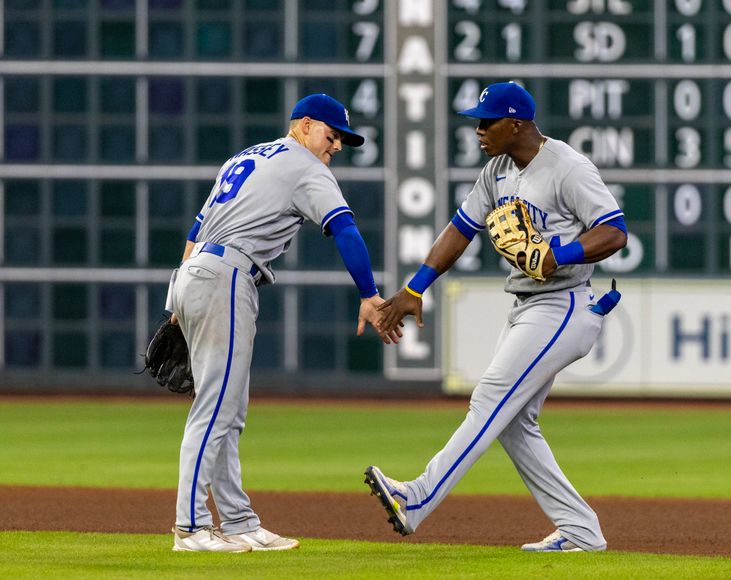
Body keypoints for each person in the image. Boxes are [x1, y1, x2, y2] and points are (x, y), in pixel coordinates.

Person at [364, 81, 627, 553]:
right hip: (527, 305)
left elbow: (614, 232)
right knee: (513, 422)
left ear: (517, 123)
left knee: (490, 399)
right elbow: (461, 230)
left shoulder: (567, 167)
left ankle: (416, 498)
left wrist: (557, 253)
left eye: (487, 121)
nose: (479, 130)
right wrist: (412, 288)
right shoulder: (496, 171)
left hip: (565, 305)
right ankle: (581, 531)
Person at [168, 93, 401, 552]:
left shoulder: (247, 155)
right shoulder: (306, 166)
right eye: (332, 135)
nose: (336, 147)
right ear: (304, 125)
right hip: (227, 277)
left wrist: (177, 302)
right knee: (216, 409)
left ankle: (237, 522)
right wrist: (370, 295)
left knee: (227, 411)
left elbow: (197, 231)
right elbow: (345, 229)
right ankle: (190, 527)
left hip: (194, 274)